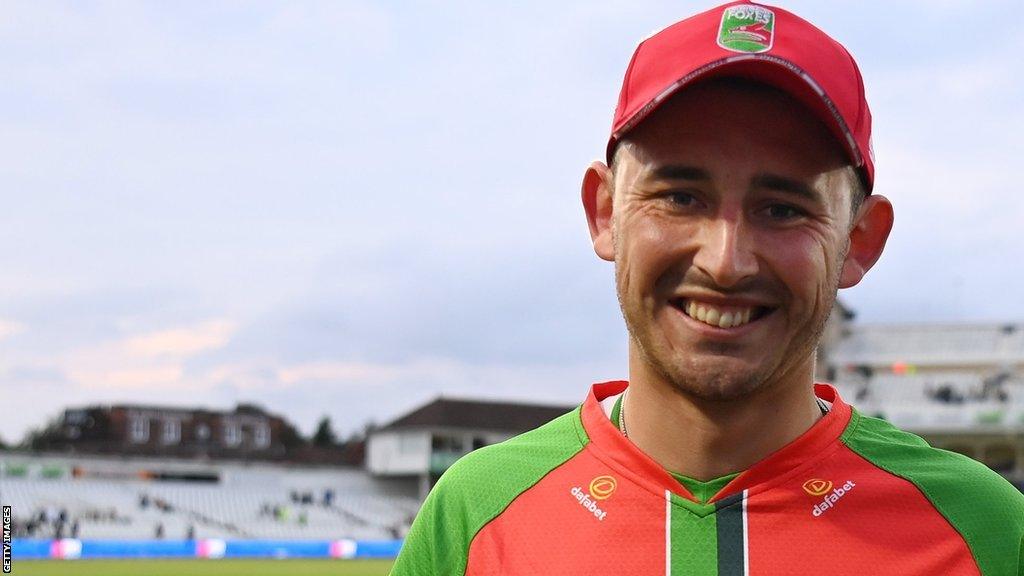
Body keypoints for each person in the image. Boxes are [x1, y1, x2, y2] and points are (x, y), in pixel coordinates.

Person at [390, 2, 1024, 575]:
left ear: (860, 240)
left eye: (782, 208)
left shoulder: (985, 530)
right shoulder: (474, 519)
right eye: (679, 197)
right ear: (604, 212)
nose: (725, 263)